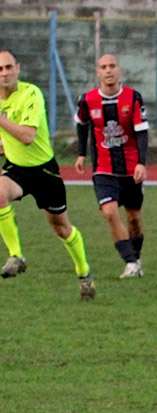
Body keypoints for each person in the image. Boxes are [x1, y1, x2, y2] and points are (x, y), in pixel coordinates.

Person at [0, 49, 95, 300]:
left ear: (18, 68)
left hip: (44, 171)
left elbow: (27, 137)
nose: (4, 73)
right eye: (0, 69)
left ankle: (84, 273)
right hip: (17, 169)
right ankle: (16, 255)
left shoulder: (31, 93)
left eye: (8, 67)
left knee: (62, 228)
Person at [74, 53, 149, 278]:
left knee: (134, 218)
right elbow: (82, 124)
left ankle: (136, 259)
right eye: (104, 67)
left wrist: (141, 163)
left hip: (131, 169)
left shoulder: (133, 98)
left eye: (112, 66)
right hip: (103, 169)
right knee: (109, 212)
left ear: (119, 70)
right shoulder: (87, 100)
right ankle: (130, 262)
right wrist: (81, 154)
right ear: (98, 72)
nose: (108, 70)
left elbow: (142, 132)